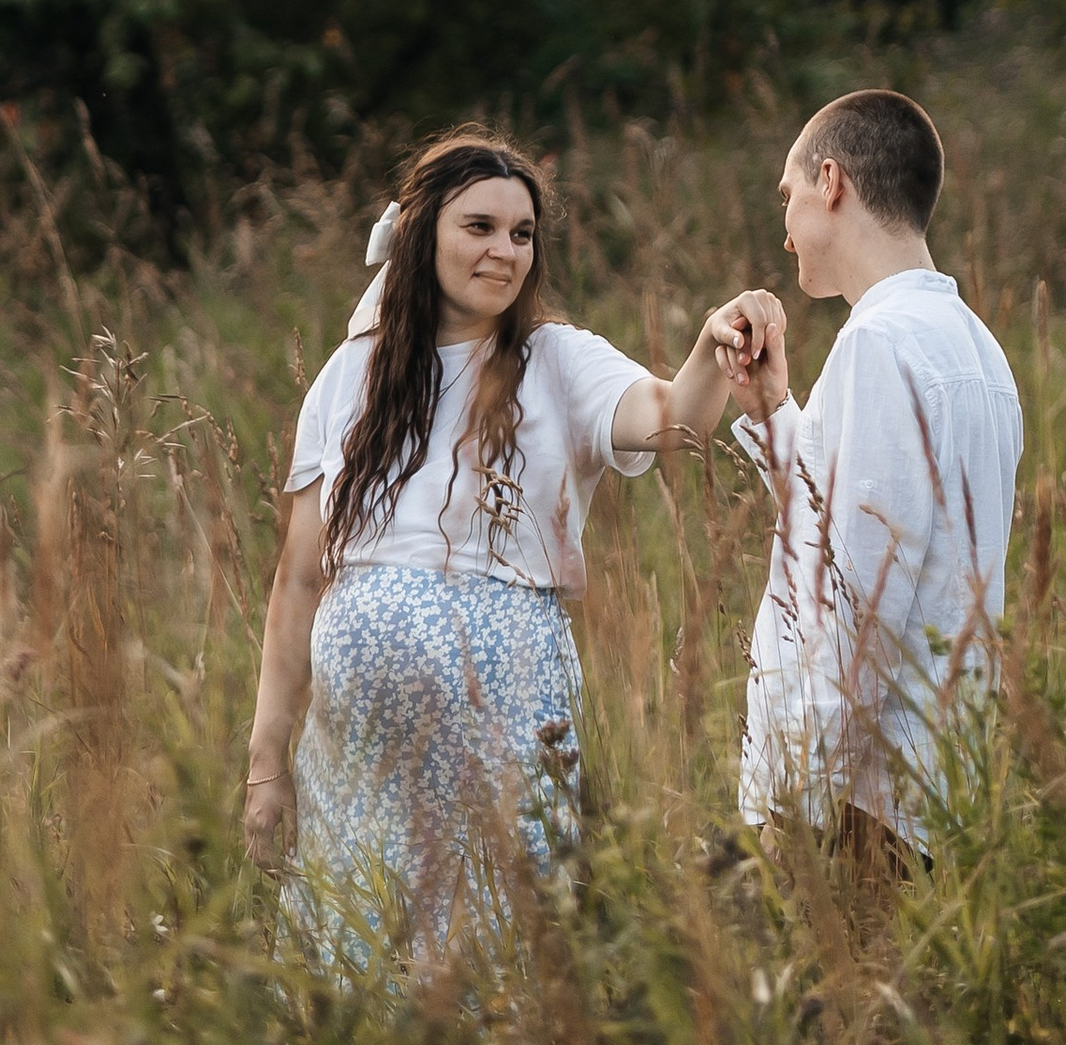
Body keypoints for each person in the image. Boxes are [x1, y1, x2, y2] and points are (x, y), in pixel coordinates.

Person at [244, 128, 747, 971]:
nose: (504, 251)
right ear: (421, 234)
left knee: (490, 951)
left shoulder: (556, 361)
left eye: (521, 234)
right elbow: (297, 582)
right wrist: (267, 764)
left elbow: (674, 417)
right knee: (358, 955)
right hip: (353, 761)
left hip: (503, 733)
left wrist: (712, 343)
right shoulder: (347, 378)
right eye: (479, 227)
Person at [712, 87, 1021, 870]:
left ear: (831, 181)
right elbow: (855, 522)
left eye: (787, 197)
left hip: (862, 808)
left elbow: (856, 606)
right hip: (938, 785)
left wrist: (791, 809)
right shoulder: (975, 348)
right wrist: (776, 410)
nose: (784, 230)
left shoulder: (879, 343)